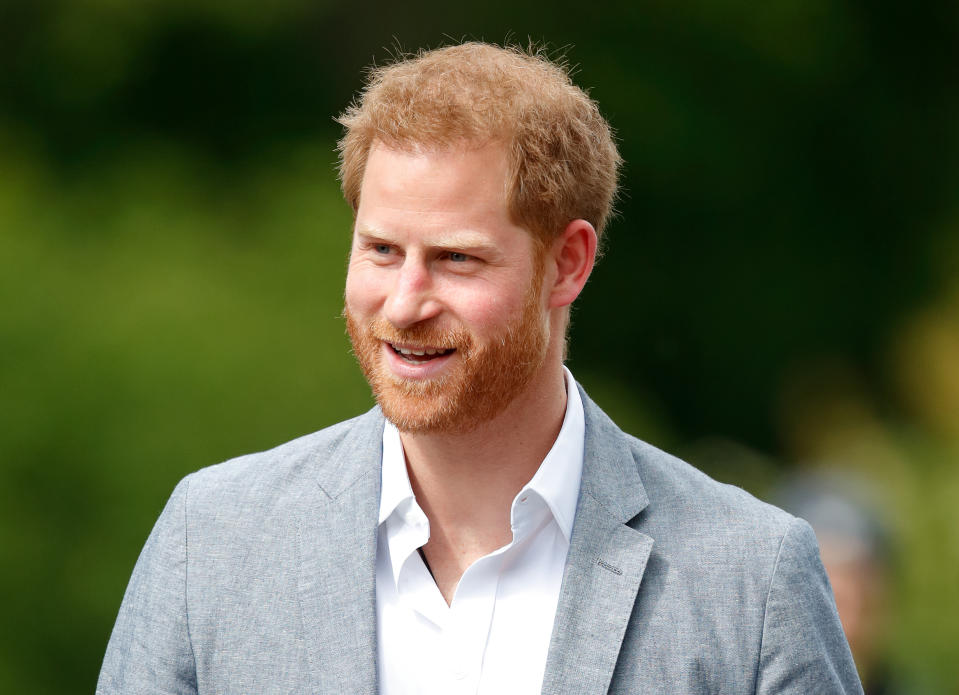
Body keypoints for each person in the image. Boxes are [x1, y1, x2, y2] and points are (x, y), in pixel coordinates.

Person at [97, 42, 863, 694]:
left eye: (455, 259)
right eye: (381, 250)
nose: (403, 303)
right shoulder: (214, 539)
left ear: (567, 264)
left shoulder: (750, 580)